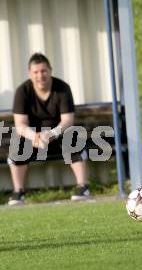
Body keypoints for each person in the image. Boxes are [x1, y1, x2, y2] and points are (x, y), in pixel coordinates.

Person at [7, 53, 89, 206]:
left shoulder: (63, 88)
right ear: (30, 73)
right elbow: (20, 124)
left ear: (50, 70)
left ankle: (82, 187)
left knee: (74, 135)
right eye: (36, 72)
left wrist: (52, 134)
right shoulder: (22, 91)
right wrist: (35, 136)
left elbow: (67, 120)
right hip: (33, 138)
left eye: (44, 71)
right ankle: (18, 192)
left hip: (58, 134)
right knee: (16, 141)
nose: (40, 75)